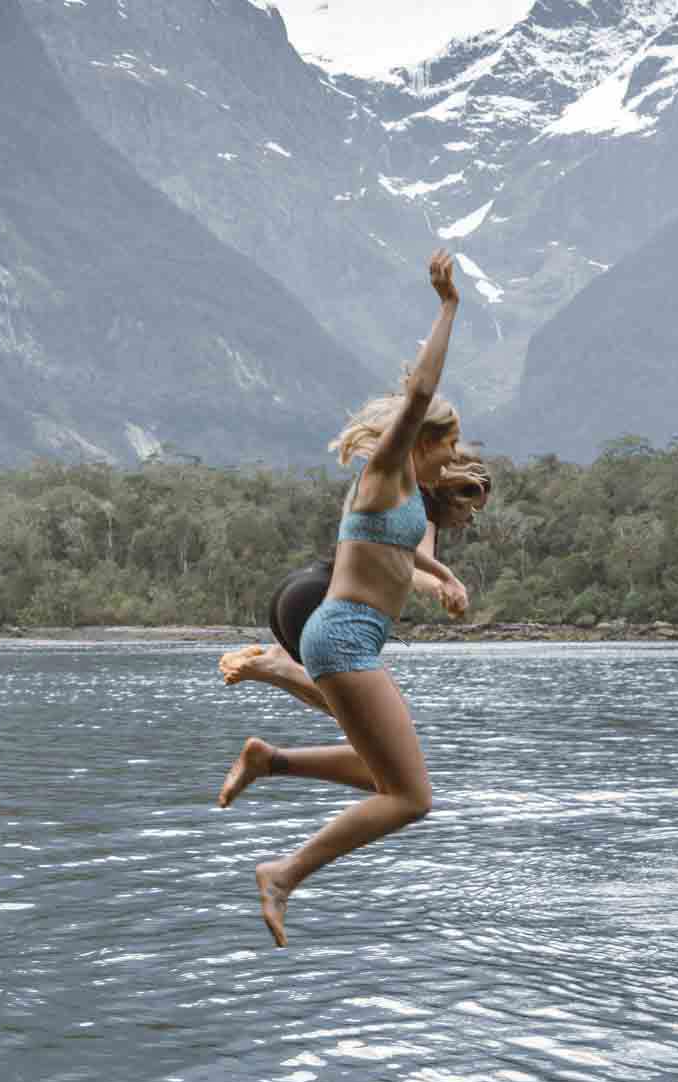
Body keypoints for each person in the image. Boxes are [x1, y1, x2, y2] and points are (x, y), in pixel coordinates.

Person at [217, 248, 469, 947]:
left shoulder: (407, 492)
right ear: (422, 440)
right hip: (344, 636)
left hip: (348, 637)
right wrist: (448, 307)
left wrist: (442, 576)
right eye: (446, 447)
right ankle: (283, 873)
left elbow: (397, 547)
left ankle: (271, 760)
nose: (453, 459)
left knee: (380, 771)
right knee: (412, 796)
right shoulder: (386, 469)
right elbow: (419, 392)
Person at [219, 457, 490, 716]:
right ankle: (276, 669)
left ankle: (278, 664)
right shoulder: (424, 514)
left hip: (304, 589)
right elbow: (412, 569)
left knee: (360, 719)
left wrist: (443, 577)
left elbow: (399, 553)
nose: (469, 520)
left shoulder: (398, 498)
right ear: (453, 495)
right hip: (325, 602)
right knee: (380, 721)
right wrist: (444, 585)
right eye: (472, 509)